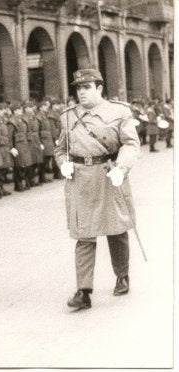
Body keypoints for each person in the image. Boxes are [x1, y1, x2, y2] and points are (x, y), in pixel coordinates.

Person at [54, 68, 140, 310]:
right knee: (84, 234)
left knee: (116, 229)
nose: (81, 93)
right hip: (80, 180)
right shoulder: (68, 117)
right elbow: (61, 149)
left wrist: (121, 168)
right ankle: (84, 291)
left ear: (100, 88)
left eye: (87, 88)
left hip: (108, 174)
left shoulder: (119, 112)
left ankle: (122, 275)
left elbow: (131, 144)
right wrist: (64, 165)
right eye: (78, 89)